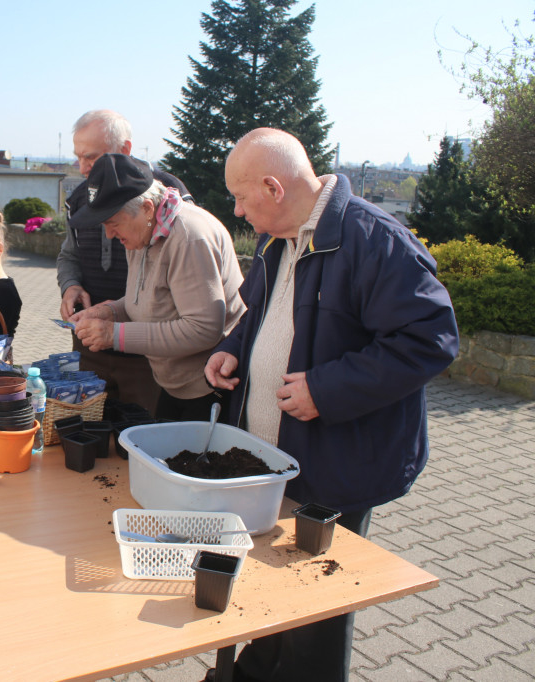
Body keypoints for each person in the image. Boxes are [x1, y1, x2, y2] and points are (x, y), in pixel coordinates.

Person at [202, 128, 459, 682]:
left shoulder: (375, 240)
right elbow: (260, 316)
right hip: (275, 462)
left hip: (336, 467)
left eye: (242, 197)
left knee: (314, 614)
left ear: (273, 186)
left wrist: (327, 390)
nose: (238, 210)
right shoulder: (279, 237)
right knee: (277, 595)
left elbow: (430, 339)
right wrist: (231, 350)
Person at [69, 154, 245, 421]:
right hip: (174, 385)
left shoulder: (189, 236)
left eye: (112, 224)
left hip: (208, 387)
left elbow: (204, 329)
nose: (109, 235)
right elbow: (148, 299)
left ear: (147, 208)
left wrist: (114, 335)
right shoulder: (144, 232)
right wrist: (110, 312)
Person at [57, 110, 193, 414]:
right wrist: (71, 286)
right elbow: (69, 254)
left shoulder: (169, 196)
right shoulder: (79, 199)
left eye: (91, 158)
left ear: (125, 150)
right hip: (91, 343)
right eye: (78, 158)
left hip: (148, 354)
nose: (82, 168)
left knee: (143, 437)